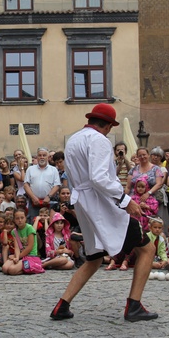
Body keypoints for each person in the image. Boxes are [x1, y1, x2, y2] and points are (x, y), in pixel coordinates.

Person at [50, 103, 158, 322]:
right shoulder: (98, 140)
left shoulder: (73, 140)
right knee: (148, 249)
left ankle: (61, 306)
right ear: (108, 126)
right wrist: (125, 199)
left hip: (83, 203)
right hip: (103, 205)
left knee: (94, 258)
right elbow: (99, 178)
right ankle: (134, 306)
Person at [24, 147, 61, 223]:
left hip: (49, 202)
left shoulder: (53, 170)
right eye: (40, 155)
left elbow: (57, 185)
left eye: (44, 155)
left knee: (50, 225)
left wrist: (48, 197)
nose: (42, 157)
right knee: (33, 223)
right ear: (37, 157)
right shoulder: (30, 169)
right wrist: (33, 197)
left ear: (48, 157)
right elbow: (26, 185)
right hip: (34, 202)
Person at [1, 208, 42, 275]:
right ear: (14, 220)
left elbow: (29, 247)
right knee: (5, 269)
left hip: (30, 256)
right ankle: (23, 268)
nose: (20, 220)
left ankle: (30, 268)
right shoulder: (14, 231)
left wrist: (18, 257)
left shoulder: (29, 228)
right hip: (20, 255)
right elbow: (16, 247)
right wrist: (16, 257)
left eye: (22, 218)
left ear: (25, 218)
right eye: (17, 218)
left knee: (12, 270)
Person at [149, 146, 169, 234]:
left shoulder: (162, 169)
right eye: (154, 155)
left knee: (160, 215)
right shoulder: (148, 167)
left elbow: (161, 183)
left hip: (158, 195)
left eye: (158, 155)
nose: (155, 157)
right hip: (148, 195)